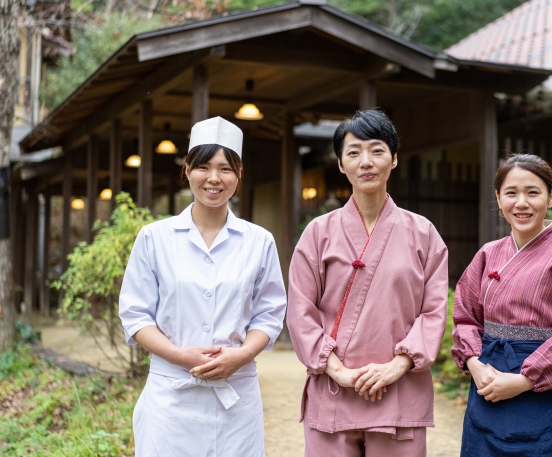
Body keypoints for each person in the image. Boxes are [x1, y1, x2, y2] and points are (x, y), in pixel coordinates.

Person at [119, 117, 287, 457]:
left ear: (239, 175)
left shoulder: (259, 241)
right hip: (170, 398)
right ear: (187, 170)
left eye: (226, 168)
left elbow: (269, 315)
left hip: (236, 397)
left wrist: (240, 356)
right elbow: (136, 314)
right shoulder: (155, 238)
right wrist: (179, 355)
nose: (214, 178)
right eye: (203, 167)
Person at [287, 109, 448, 457]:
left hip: (400, 389)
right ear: (341, 164)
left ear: (394, 159)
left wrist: (396, 366)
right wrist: (339, 372)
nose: (366, 161)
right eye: (354, 152)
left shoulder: (424, 234)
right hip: (333, 388)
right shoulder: (318, 233)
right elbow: (300, 309)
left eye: (377, 150)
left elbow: (434, 312)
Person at [452, 153, 552, 456]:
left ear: (550, 197)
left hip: (547, 387)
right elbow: (465, 317)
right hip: (489, 382)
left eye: (532, 192)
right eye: (511, 193)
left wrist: (525, 380)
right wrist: (474, 364)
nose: (521, 203)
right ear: (498, 199)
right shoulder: (487, 254)